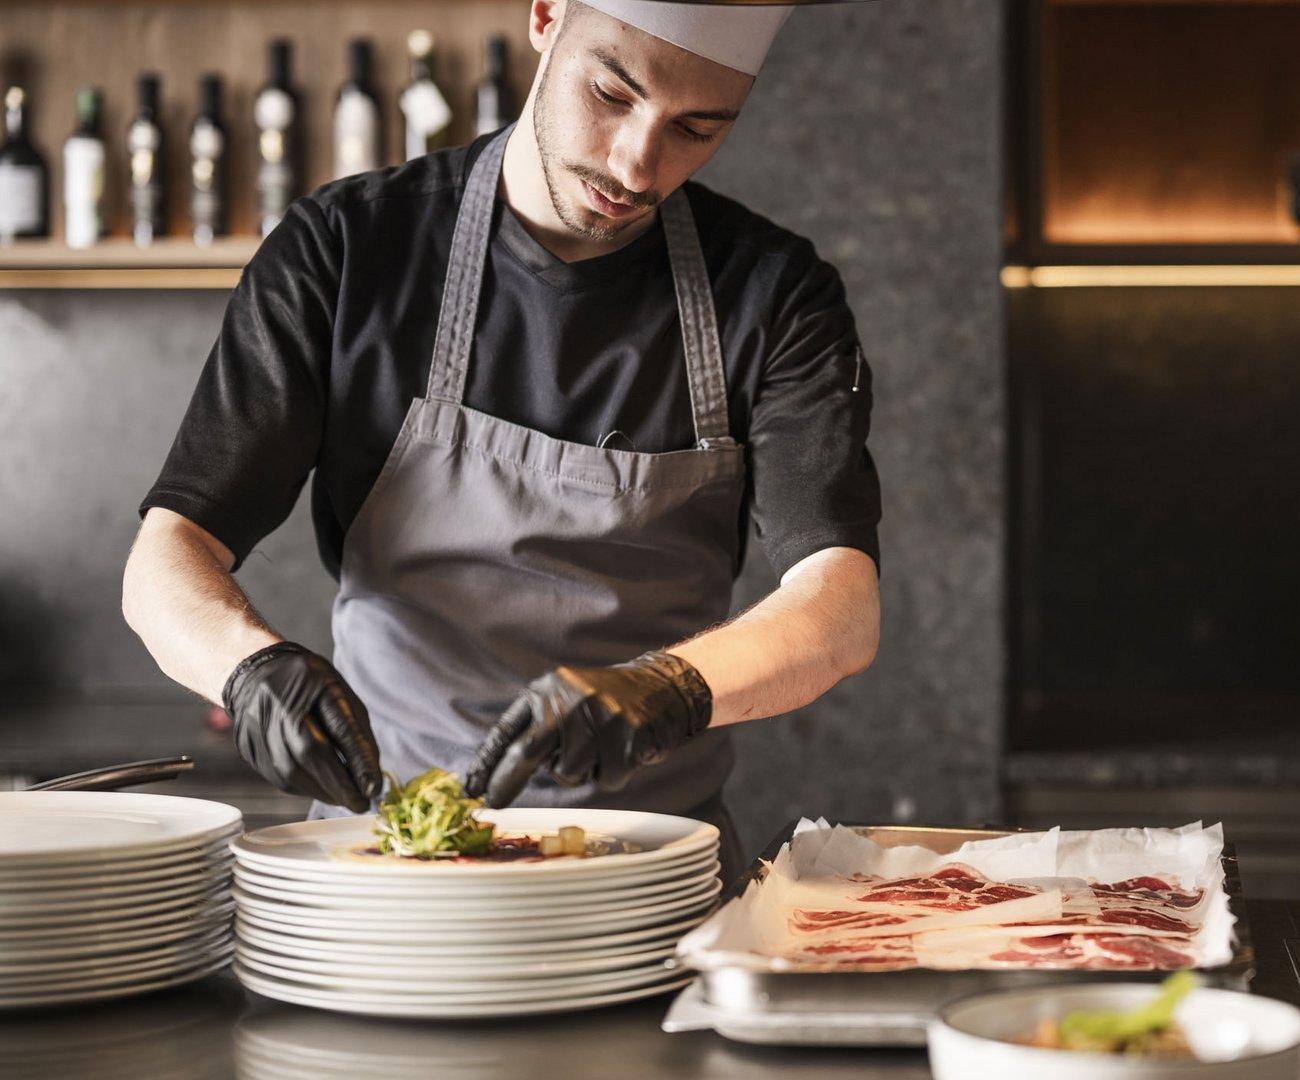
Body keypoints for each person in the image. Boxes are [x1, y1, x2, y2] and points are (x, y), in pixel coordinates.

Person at [121, 0, 882, 879]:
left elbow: (840, 607)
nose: (638, 163)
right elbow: (167, 554)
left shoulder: (774, 293)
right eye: (611, 93)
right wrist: (249, 669)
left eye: (696, 128)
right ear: (546, 16)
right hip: (386, 863)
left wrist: (667, 688)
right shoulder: (345, 252)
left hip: (654, 875)